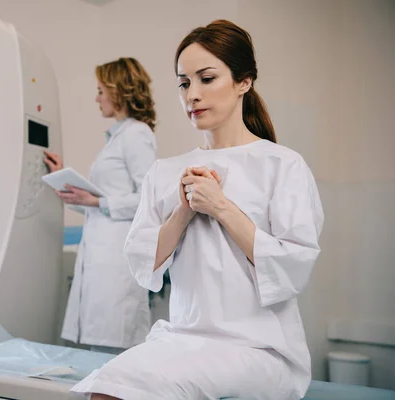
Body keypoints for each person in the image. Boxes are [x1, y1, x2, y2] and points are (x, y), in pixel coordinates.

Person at [71, 20, 324, 399]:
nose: (192, 94)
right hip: (184, 337)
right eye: (184, 83)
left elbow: (292, 268)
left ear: (244, 81)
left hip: (259, 347)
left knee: (126, 391)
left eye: (207, 78)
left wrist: (221, 207)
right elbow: (143, 263)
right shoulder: (165, 172)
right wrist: (184, 211)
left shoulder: (282, 165)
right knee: (103, 388)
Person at [44, 57, 158, 355]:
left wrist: (96, 200)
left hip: (118, 259)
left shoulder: (136, 135)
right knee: (100, 347)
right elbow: (104, 203)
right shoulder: (117, 137)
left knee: (113, 348)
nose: (97, 98)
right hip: (100, 251)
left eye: (100, 90)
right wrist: (71, 188)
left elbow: (150, 200)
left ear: (118, 90)